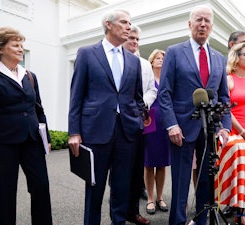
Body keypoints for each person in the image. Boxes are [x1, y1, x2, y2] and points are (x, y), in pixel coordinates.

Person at [68, 10, 144, 225]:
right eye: (124, 22)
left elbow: (136, 97)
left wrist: (138, 120)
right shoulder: (87, 53)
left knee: (122, 186)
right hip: (95, 130)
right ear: (109, 25)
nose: (128, 26)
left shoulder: (133, 61)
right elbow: (76, 96)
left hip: (126, 132)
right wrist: (74, 131)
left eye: (130, 22)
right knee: (95, 187)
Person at [158, 5, 231, 225]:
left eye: (207, 21)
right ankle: (178, 222)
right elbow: (164, 92)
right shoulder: (174, 52)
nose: (203, 24)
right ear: (190, 24)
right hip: (181, 128)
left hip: (210, 129)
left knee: (207, 181)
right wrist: (171, 124)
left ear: (211, 26)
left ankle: (202, 221)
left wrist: (225, 127)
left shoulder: (219, 57)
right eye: (198, 20)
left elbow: (224, 97)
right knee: (181, 182)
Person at [0, 27, 52, 225]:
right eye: (15, 45)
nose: (21, 49)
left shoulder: (30, 75)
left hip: (32, 141)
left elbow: (38, 109)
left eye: (21, 45)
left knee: (41, 188)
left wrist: (46, 139)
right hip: (2, 145)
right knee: (4, 195)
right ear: (0, 48)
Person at [215, 43, 245, 225]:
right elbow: (226, 111)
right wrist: (242, 132)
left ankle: (241, 213)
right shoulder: (228, 80)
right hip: (234, 135)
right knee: (240, 161)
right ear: (236, 58)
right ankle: (240, 215)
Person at [122, 24, 157, 225]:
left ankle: (133, 212)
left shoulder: (144, 64)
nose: (134, 42)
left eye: (137, 39)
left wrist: (142, 104)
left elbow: (152, 89)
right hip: (118, 122)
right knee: (119, 170)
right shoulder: (114, 61)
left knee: (136, 170)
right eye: (131, 38)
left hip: (138, 122)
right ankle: (118, 212)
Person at [144, 49, 170, 215]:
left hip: (165, 123)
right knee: (148, 163)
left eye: (163, 58)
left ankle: (160, 197)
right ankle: (150, 199)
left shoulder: (167, 79)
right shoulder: (147, 78)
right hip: (149, 122)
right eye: (157, 58)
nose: (160, 60)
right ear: (151, 61)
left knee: (161, 163)